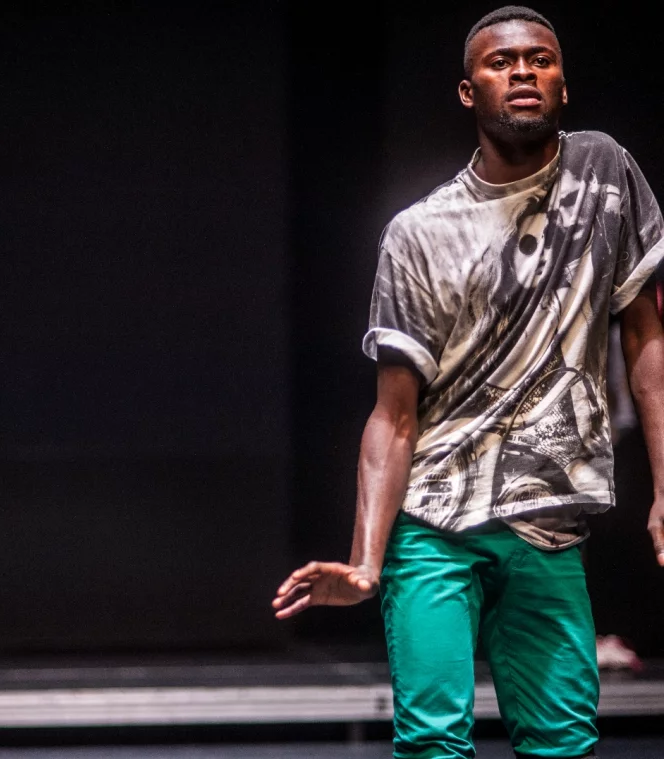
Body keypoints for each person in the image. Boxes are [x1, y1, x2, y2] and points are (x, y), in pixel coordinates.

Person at [273, 6, 663, 759]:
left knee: (563, 743)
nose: (522, 72)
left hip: (548, 523)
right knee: (433, 744)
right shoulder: (421, 232)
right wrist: (365, 561)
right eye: (501, 61)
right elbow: (394, 415)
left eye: (540, 59)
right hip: (435, 522)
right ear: (467, 90)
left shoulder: (605, 172)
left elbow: (645, 336)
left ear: (563, 84)